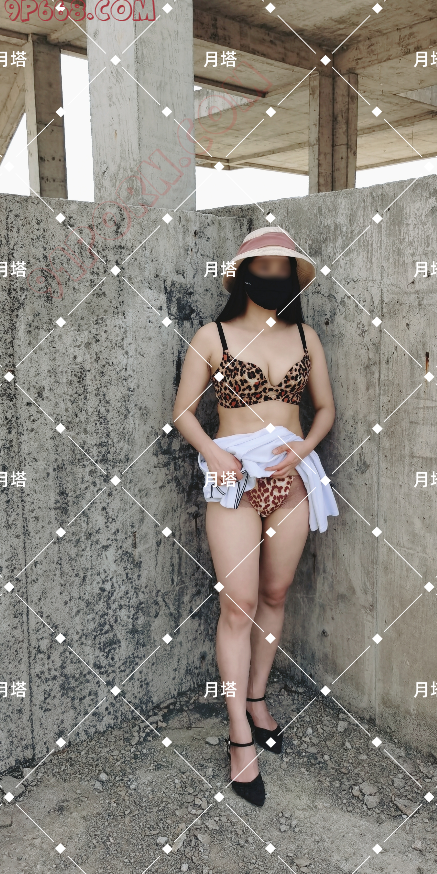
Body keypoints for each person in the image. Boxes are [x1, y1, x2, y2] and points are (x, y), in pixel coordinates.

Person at [172, 226, 338, 807]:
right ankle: (238, 733)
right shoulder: (212, 335)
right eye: (262, 268)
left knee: (275, 591)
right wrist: (214, 453)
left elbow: (325, 408)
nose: (273, 277)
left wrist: (304, 447)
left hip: (292, 473)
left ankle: (258, 699)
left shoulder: (306, 337)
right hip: (232, 475)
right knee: (238, 602)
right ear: (243, 275)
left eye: (282, 268)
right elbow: (184, 411)